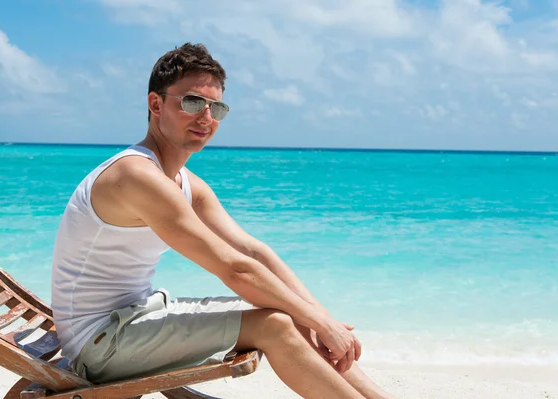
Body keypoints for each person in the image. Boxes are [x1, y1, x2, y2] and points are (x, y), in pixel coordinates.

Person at [51, 42, 395, 399]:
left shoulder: (182, 181)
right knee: (276, 324)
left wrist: (324, 319)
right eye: (192, 102)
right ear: (156, 104)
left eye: (216, 107)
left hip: (135, 320)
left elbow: (254, 252)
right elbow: (234, 269)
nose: (206, 117)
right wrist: (320, 323)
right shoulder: (138, 176)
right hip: (100, 343)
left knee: (287, 311)